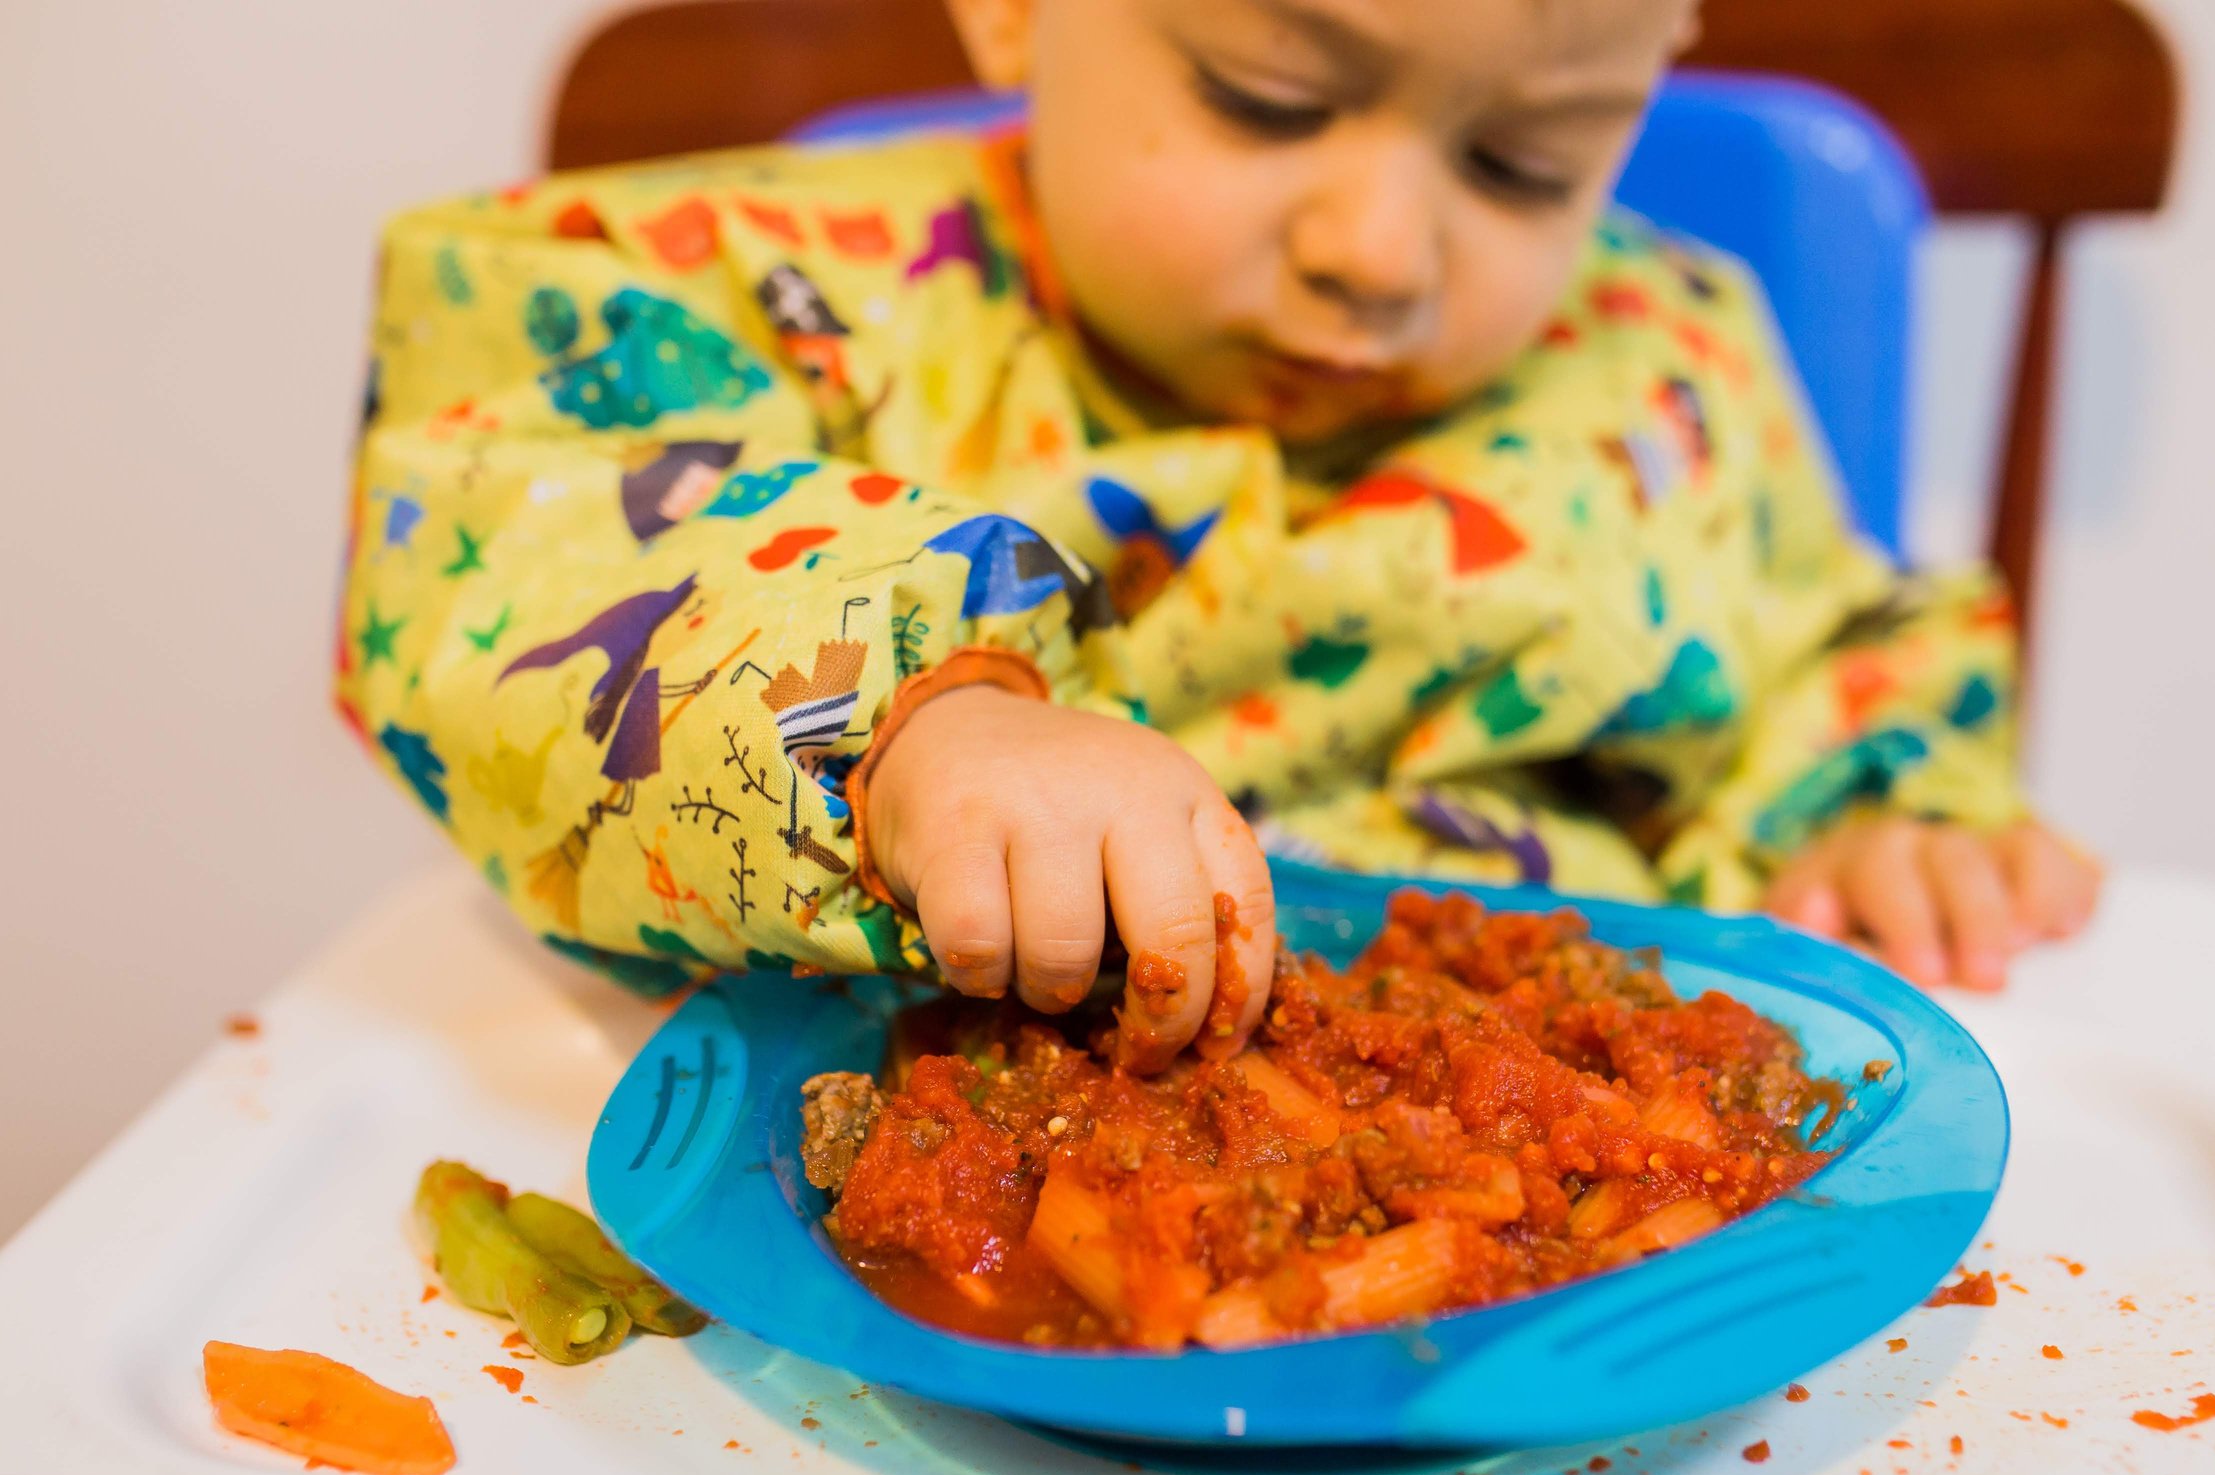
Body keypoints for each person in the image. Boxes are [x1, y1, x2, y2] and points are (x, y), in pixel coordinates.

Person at [339, 0, 2099, 1069]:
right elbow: (516, 540)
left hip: (1572, 1233)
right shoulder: (725, 300)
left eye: (1527, 164)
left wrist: (1887, 814)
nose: (1382, 252)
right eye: (1271, 96)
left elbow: (1832, 646)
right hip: (861, 1192)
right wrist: (916, 723)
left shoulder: (1666, 375)